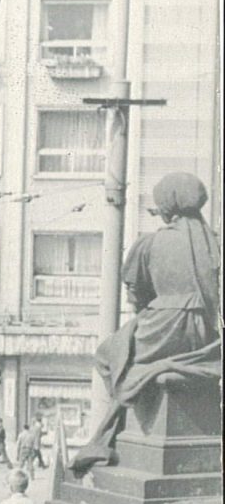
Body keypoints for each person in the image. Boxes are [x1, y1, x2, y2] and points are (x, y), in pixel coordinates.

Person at [71, 173, 221, 475]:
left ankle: (119, 432)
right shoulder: (215, 243)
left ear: (168, 204)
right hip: (205, 334)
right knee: (137, 363)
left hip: (162, 326)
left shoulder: (150, 242)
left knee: (108, 355)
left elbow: (137, 295)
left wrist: (154, 314)